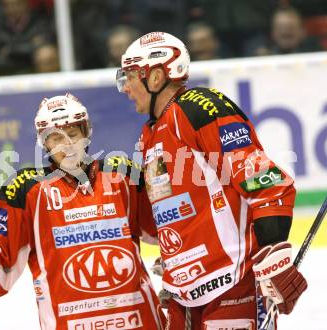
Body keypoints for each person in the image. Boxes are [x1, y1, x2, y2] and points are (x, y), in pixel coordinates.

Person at [116, 31, 307, 329]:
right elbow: (171, 209)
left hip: (233, 284)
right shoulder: (150, 133)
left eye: (129, 77)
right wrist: (177, 261)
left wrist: (275, 255)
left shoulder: (199, 106)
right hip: (184, 295)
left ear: (155, 78)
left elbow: (265, 182)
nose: (125, 88)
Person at [0, 93, 166, 329]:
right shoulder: (25, 187)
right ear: (45, 143)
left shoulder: (122, 172)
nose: (68, 145)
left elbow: (166, 223)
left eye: (73, 134)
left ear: (86, 133)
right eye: (56, 139)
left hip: (138, 320)